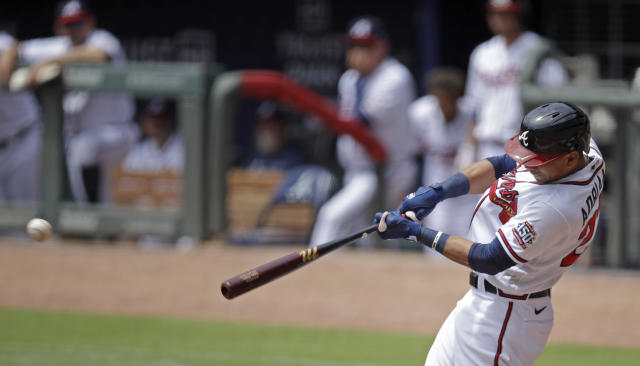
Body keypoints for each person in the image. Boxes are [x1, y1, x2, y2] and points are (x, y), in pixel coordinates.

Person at [375, 102, 604, 365]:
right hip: (491, 303)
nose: (528, 166)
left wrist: (415, 232)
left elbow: (489, 258)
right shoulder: (588, 156)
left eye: (538, 162)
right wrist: (439, 191)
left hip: (504, 317)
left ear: (571, 157)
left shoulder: (555, 208)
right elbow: (504, 163)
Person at [3, 0, 138, 203]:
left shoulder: (102, 39)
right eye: (68, 24)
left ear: (90, 22)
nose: (73, 29)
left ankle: (86, 219)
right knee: (99, 188)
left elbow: (98, 55)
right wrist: (14, 58)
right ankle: (91, 224)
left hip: (117, 133)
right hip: (81, 136)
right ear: (58, 27)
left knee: (82, 149)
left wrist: (51, 61)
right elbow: (17, 48)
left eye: (78, 22)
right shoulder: (59, 45)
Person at [309, 15, 418, 246]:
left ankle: (311, 271)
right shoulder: (349, 79)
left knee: (332, 217)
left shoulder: (395, 77)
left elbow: (360, 121)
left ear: (383, 47)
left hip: (388, 171)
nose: (359, 51)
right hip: (357, 169)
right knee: (366, 239)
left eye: (367, 45)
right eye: (355, 45)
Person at [465, 0, 568, 160]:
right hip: (486, 144)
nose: (498, 19)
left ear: (519, 16)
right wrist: (469, 147)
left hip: (525, 145)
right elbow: (474, 105)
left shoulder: (538, 48)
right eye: (494, 14)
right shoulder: (482, 53)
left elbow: (557, 101)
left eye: (505, 14)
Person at [408, 67, 477, 238]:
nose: (444, 104)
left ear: (458, 97)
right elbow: (411, 149)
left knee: (467, 233)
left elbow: (478, 132)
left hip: (467, 186)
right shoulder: (419, 113)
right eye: (440, 98)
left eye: (449, 99)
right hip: (436, 183)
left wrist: (469, 148)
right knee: (436, 231)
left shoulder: (471, 111)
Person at [0, 32, 42, 205]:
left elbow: (3, 73)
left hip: (22, 138)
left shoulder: (3, 41)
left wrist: (11, 52)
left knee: (25, 212)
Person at [121, 99, 183, 174]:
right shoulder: (139, 151)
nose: (156, 122)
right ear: (143, 121)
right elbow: (126, 179)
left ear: (170, 119)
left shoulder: (182, 147)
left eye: (161, 117)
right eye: (151, 117)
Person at [244, 101, 307, 171]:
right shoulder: (252, 157)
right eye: (264, 127)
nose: (269, 133)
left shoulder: (295, 158)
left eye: (274, 127)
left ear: (283, 129)